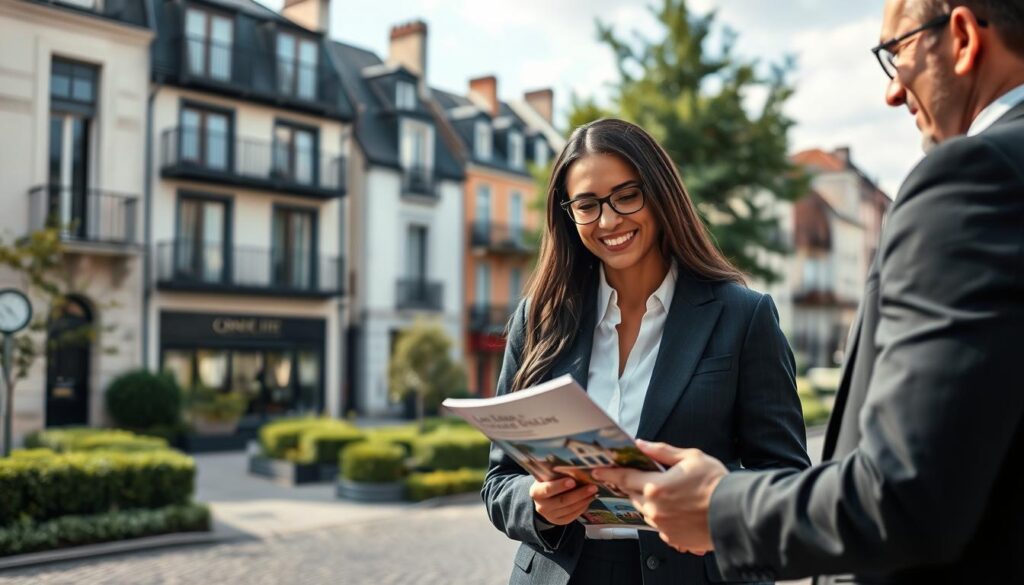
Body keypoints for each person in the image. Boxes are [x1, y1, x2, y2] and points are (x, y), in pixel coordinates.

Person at [594, 1, 1024, 583]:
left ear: (964, 37)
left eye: (894, 53)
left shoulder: (975, 176)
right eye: (586, 204)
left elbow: (905, 493)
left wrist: (718, 507)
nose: (893, 92)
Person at [481, 118, 811, 585]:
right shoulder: (539, 319)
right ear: (568, 214)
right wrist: (536, 503)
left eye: (626, 195)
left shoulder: (743, 316)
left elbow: (788, 478)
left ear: (659, 193)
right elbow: (498, 482)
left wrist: (714, 495)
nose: (609, 220)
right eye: (587, 205)